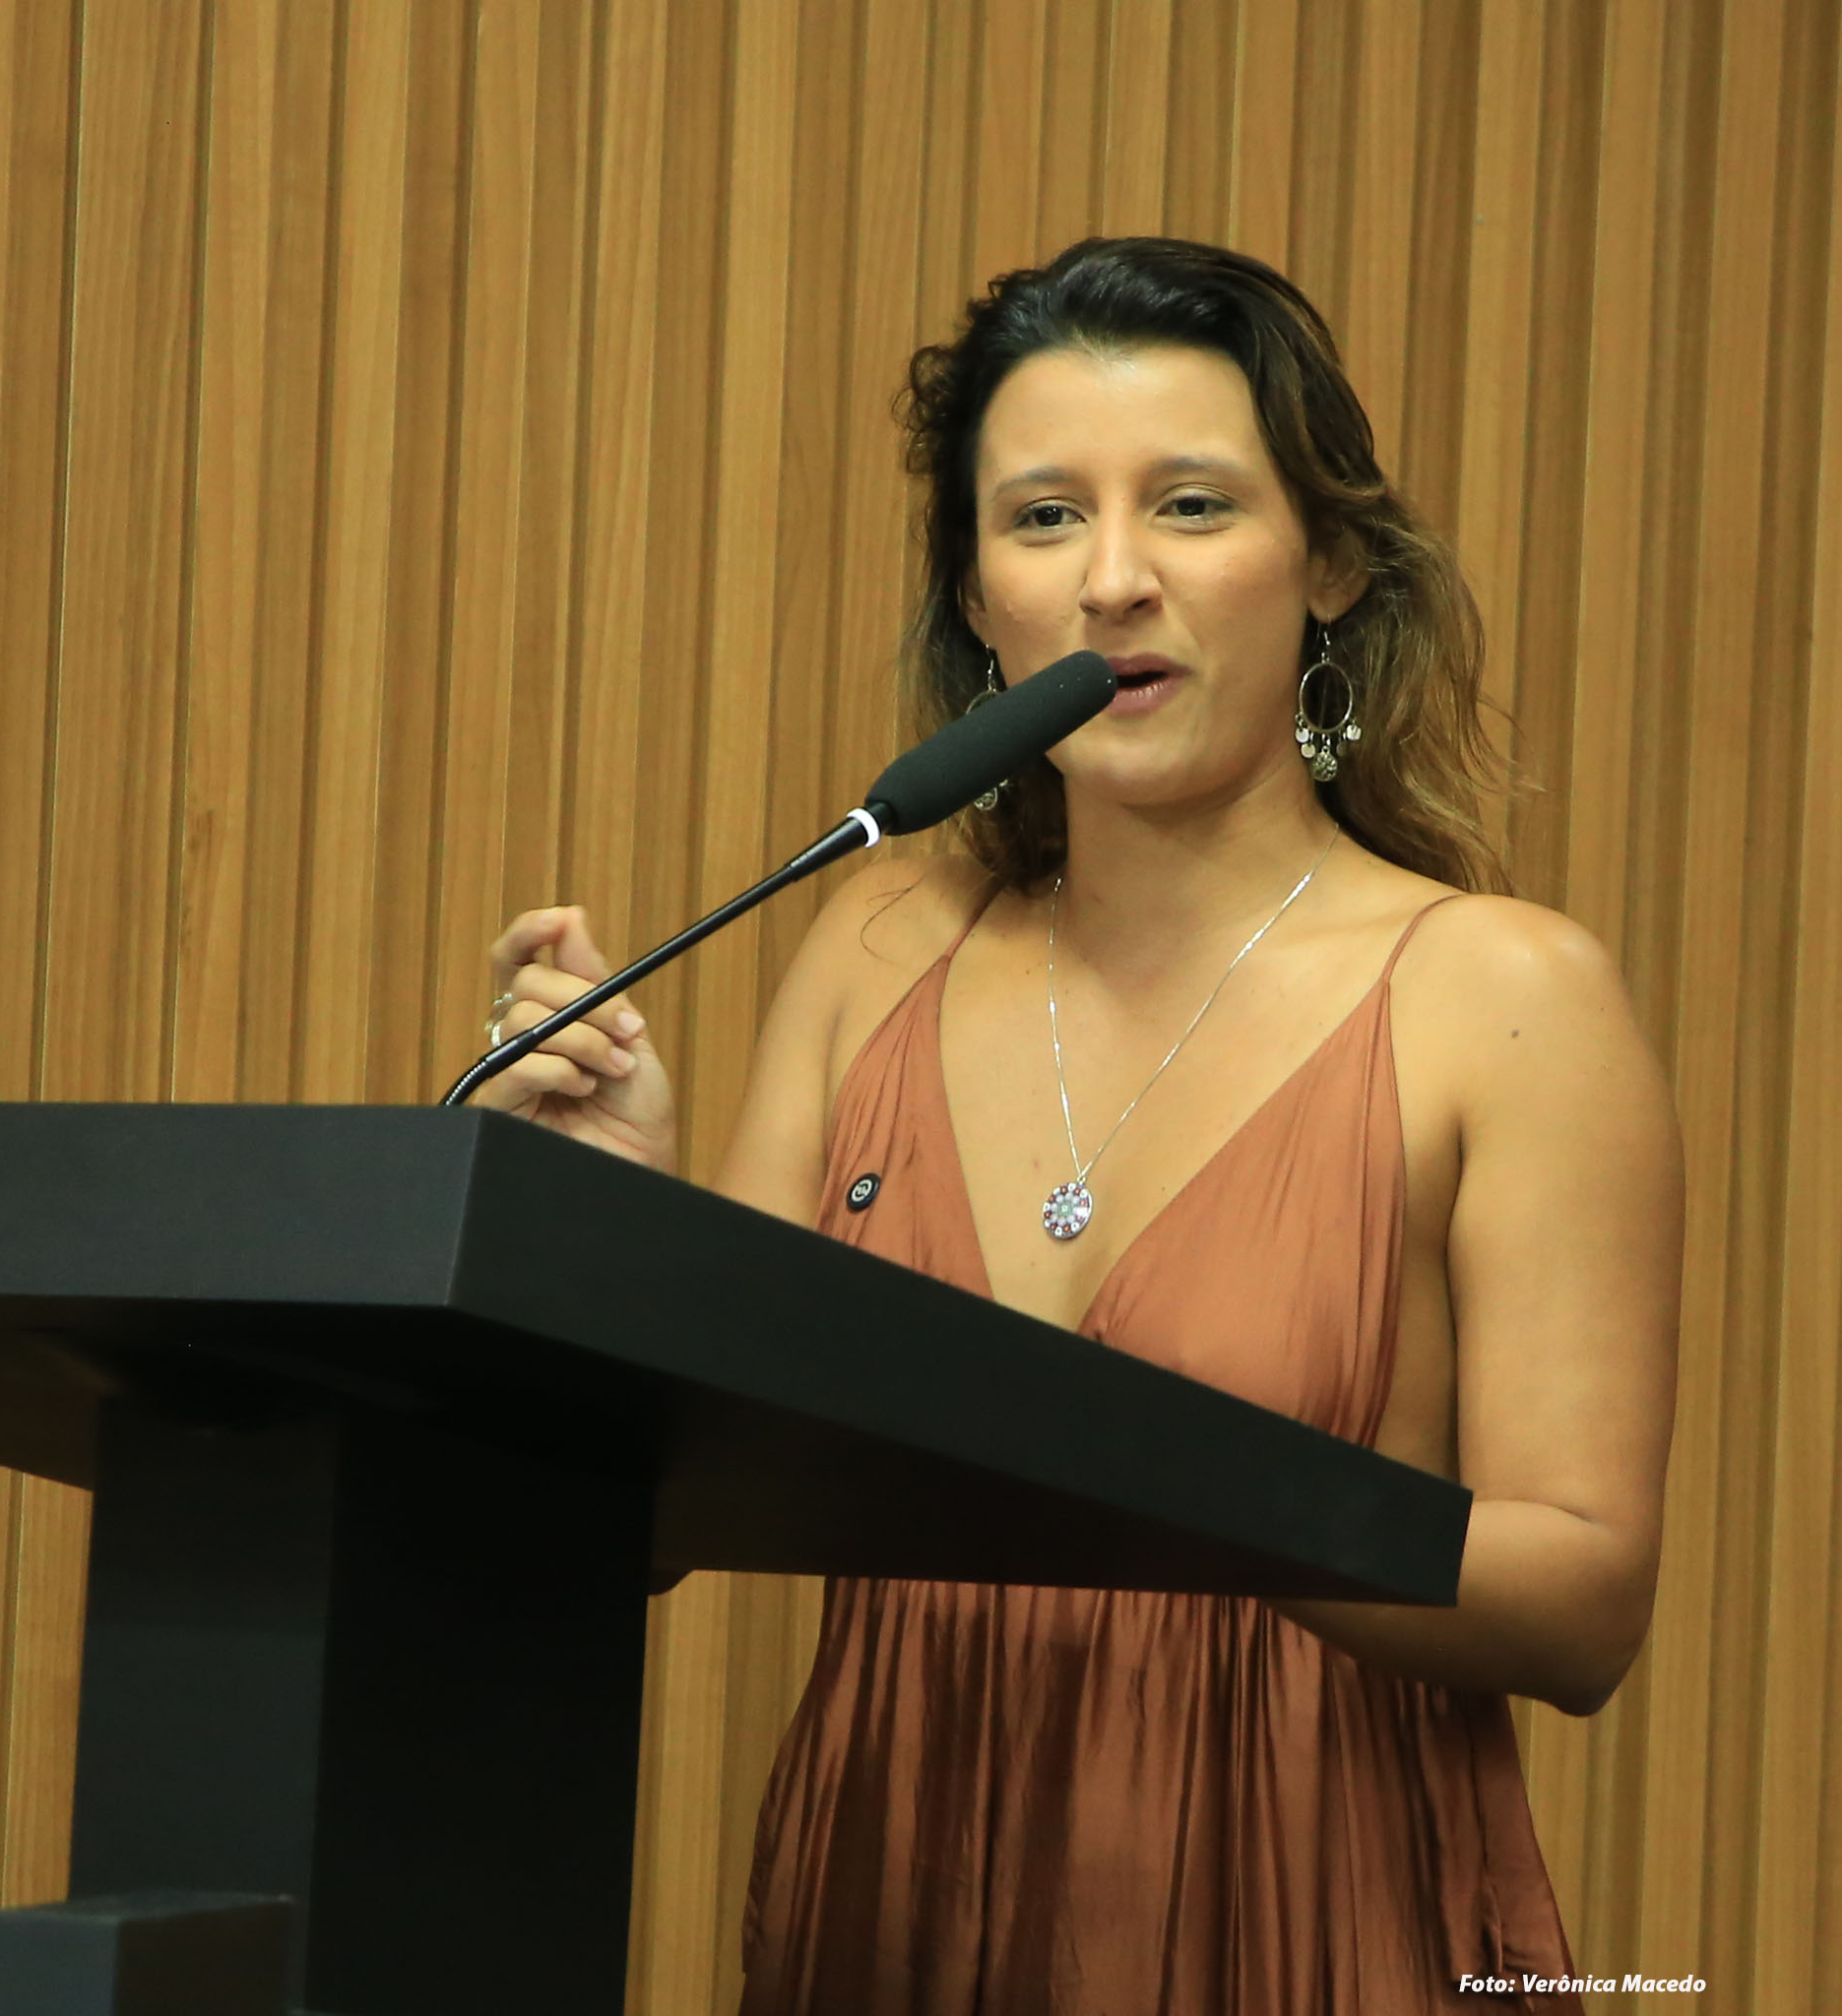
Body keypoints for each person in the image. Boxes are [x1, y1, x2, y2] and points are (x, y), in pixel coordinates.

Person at [470, 238, 1680, 2016]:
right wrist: (624, 1241)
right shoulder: (881, 942)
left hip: (1298, 1912)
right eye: (1044, 520)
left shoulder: (1504, 995)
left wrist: (1141, 1473)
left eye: (1191, 505)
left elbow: (1582, 1601)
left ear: (1330, 563)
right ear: (980, 598)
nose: (1115, 580)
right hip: (889, 1912)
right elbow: (664, 1511)